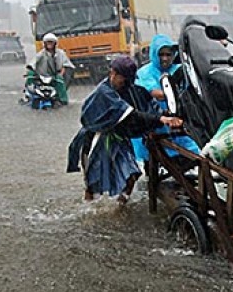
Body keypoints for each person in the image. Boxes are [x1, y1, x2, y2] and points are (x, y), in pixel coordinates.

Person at [67, 55, 183, 202]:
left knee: (133, 174)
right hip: (97, 139)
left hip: (119, 138)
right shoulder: (105, 93)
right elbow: (131, 115)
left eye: (129, 80)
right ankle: (88, 210)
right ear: (113, 73)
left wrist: (164, 114)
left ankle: (121, 206)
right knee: (93, 182)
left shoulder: (129, 88)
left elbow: (145, 102)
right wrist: (160, 119)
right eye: (123, 79)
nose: (126, 83)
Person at [133, 34, 201, 162]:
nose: (165, 58)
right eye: (161, 54)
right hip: (155, 121)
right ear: (154, 54)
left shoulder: (181, 70)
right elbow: (155, 94)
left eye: (168, 54)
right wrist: (174, 97)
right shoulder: (145, 73)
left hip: (180, 121)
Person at [29, 33, 73, 105]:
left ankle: (62, 99)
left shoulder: (61, 53)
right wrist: (31, 70)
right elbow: (33, 63)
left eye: (51, 42)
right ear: (44, 43)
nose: (49, 44)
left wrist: (60, 75)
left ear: (55, 43)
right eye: (47, 42)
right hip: (42, 76)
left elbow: (66, 65)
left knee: (60, 81)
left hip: (56, 76)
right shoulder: (41, 54)